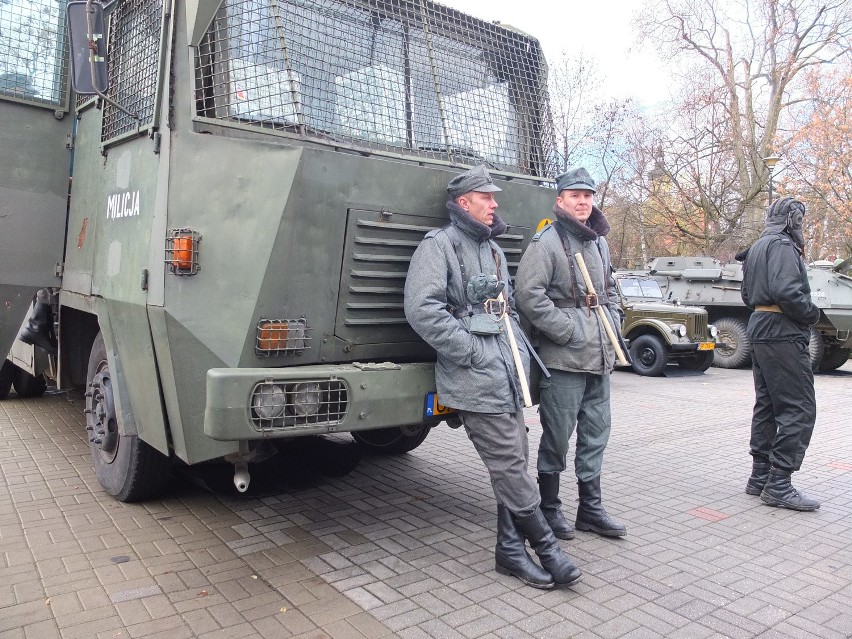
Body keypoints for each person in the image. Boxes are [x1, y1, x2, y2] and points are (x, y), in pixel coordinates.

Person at [404, 165, 581, 590]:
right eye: (486, 196)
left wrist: (515, 351)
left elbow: (506, 308)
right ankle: (546, 548)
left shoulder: (494, 249)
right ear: (464, 202)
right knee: (509, 464)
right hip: (474, 376)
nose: (494, 203)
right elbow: (422, 309)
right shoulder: (440, 245)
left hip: (506, 372)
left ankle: (510, 551)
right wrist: (470, 352)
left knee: (514, 460)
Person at [515, 167, 627, 540]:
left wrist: (612, 321)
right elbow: (528, 296)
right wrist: (569, 331)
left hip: (599, 357)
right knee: (558, 437)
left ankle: (590, 510)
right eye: (575, 195)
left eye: (588, 195)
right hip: (564, 360)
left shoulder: (599, 242)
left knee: (597, 434)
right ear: (560, 200)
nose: (582, 202)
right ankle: (549, 508)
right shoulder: (546, 242)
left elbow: (609, 289)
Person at [738, 197, 820, 511]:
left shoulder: (757, 247)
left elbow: (746, 295)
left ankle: (760, 476)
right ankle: (779, 483)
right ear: (793, 220)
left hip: (760, 325)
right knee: (799, 407)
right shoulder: (783, 246)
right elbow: (788, 292)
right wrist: (811, 314)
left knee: (769, 404)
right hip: (782, 329)